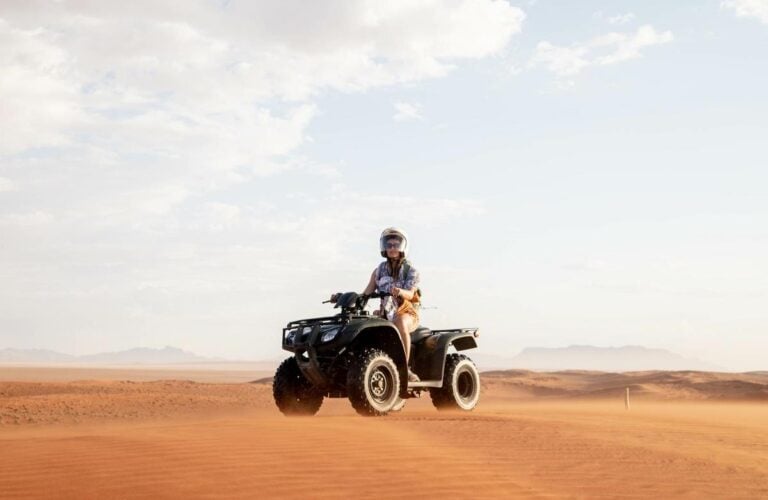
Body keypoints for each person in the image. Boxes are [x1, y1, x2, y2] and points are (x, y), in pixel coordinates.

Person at [364, 227, 422, 382]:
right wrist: (344, 297)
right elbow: (366, 293)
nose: (392, 248)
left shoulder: (411, 270)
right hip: (385, 313)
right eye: (388, 245)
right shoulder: (379, 270)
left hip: (407, 312)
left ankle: (405, 369)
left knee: (400, 321)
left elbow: (411, 294)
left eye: (395, 245)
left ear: (402, 247)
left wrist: (400, 292)